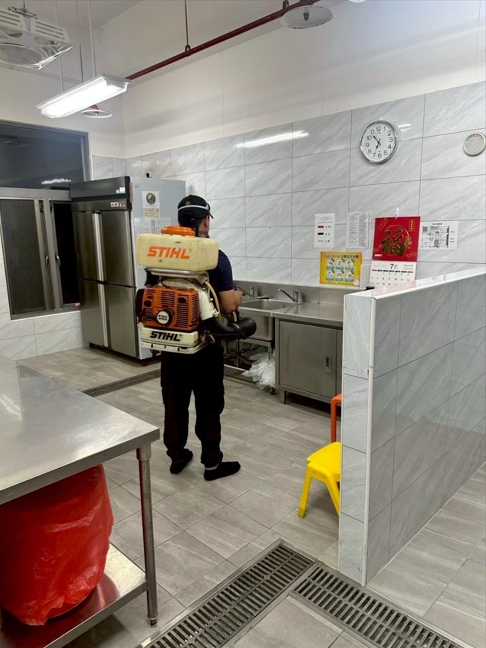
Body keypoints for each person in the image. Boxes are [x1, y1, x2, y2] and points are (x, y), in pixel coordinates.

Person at [160, 195, 243, 481]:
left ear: (180, 221)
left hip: (171, 342)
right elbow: (228, 305)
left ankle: (176, 455)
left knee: (174, 403)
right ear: (206, 221)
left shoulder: (161, 253)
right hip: (206, 345)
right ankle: (212, 465)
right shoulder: (214, 256)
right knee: (208, 404)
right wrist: (238, 295)